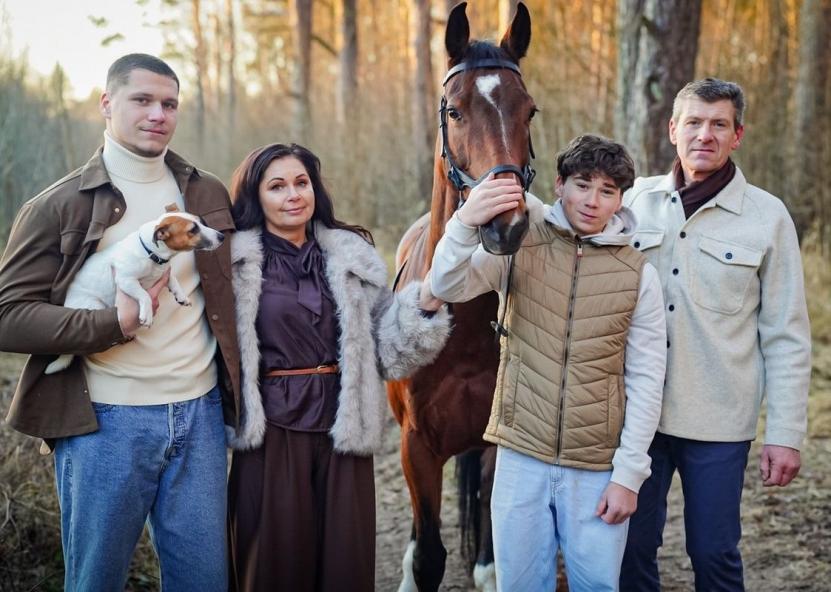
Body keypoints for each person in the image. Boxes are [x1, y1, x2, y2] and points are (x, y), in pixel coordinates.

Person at [0, 53, 239, 591]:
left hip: (199, 417)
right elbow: (8, 317)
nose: (158, 114)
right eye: (142, 100)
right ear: (107, 104)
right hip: (105, 424)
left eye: (170, 103)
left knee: (205, 582)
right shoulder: (58, 205)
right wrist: (114, 324)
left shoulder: (205, 195)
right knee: (95, 582)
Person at [427, 134, 667, 591]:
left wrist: (629, 477)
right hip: (519, 459)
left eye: (608, 191)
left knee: (596, 585)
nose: (593, 201)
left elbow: (647, 379)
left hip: (596, 468)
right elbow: (446, 283)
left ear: (621, 199)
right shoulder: (520, 245)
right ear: (558, 184)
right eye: (582, 184)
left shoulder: (639, 275)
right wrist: (464, 221)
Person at [225, 142, 451, 592]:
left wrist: (424, 306)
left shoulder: (353, 258)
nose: (293, 194)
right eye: (277, 186)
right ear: (255, 197)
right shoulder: (231, 263)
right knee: (272, 563)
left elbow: (387, 351)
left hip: (343, 426)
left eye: (301, 182)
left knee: (343, 561)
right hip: (270, 432)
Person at [619, 78, 812, 592]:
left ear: (738, 135)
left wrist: (785, 433)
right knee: (630, 548)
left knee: (713, 553)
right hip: (638, 416)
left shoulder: (768, 217)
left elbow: (786, 335)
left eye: (719, 124)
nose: (705, 135)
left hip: (720, 422)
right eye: (695, 123)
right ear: (673, 130)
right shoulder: (631, 202)